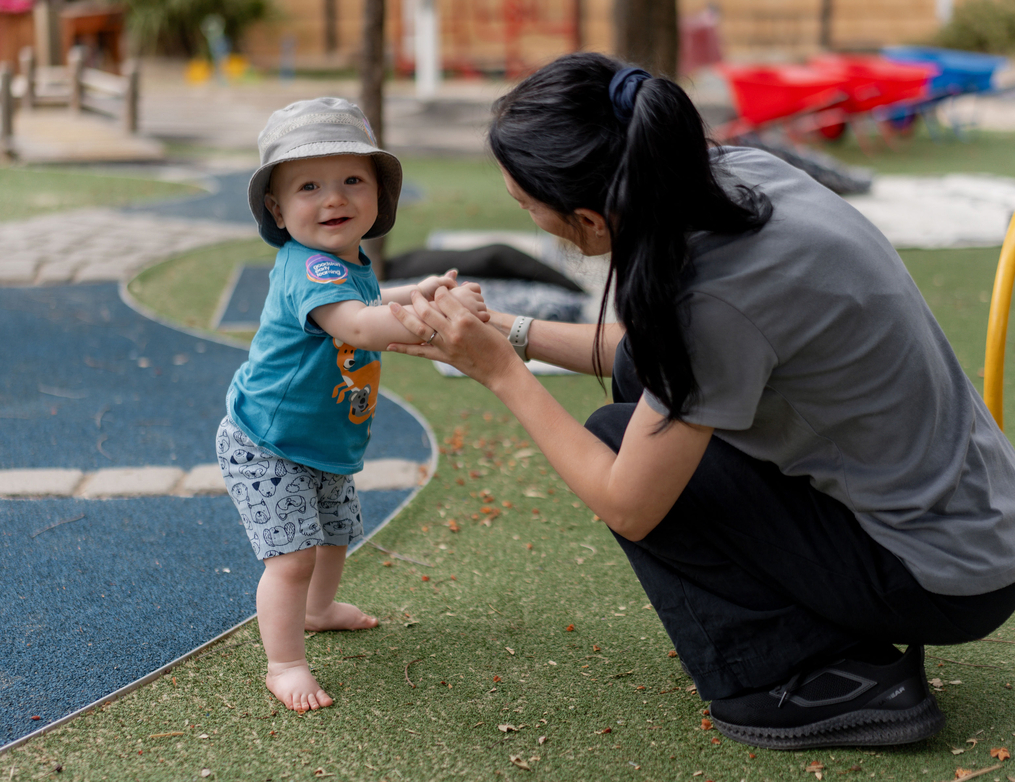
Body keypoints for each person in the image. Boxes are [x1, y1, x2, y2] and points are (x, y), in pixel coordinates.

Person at [386, 53, 1015, 749]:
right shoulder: (732, 176)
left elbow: (630, 502)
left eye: (526, 204)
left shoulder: (713, 300)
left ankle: (808, 679)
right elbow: (655, 354)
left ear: (591, 222)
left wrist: (502, 373)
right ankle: (830, 628)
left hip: (937, 574)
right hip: (978, 525)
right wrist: (509, 330)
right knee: (633, 394)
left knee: (611, 440)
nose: (527, 216)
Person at [217, 97, 487, 713]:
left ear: (377, 196)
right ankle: (283, 663)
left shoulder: (344, 261)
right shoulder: (307, 268)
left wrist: (412, 291)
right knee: (293, 558)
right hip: (269, 442)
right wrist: (430, 319)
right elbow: (361, 326)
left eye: (351, 181)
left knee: (335, 536)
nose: (333, 198)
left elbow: (365, 297)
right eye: (309, 185)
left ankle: (317, 611)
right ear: (277, 209)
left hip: (323, 440)